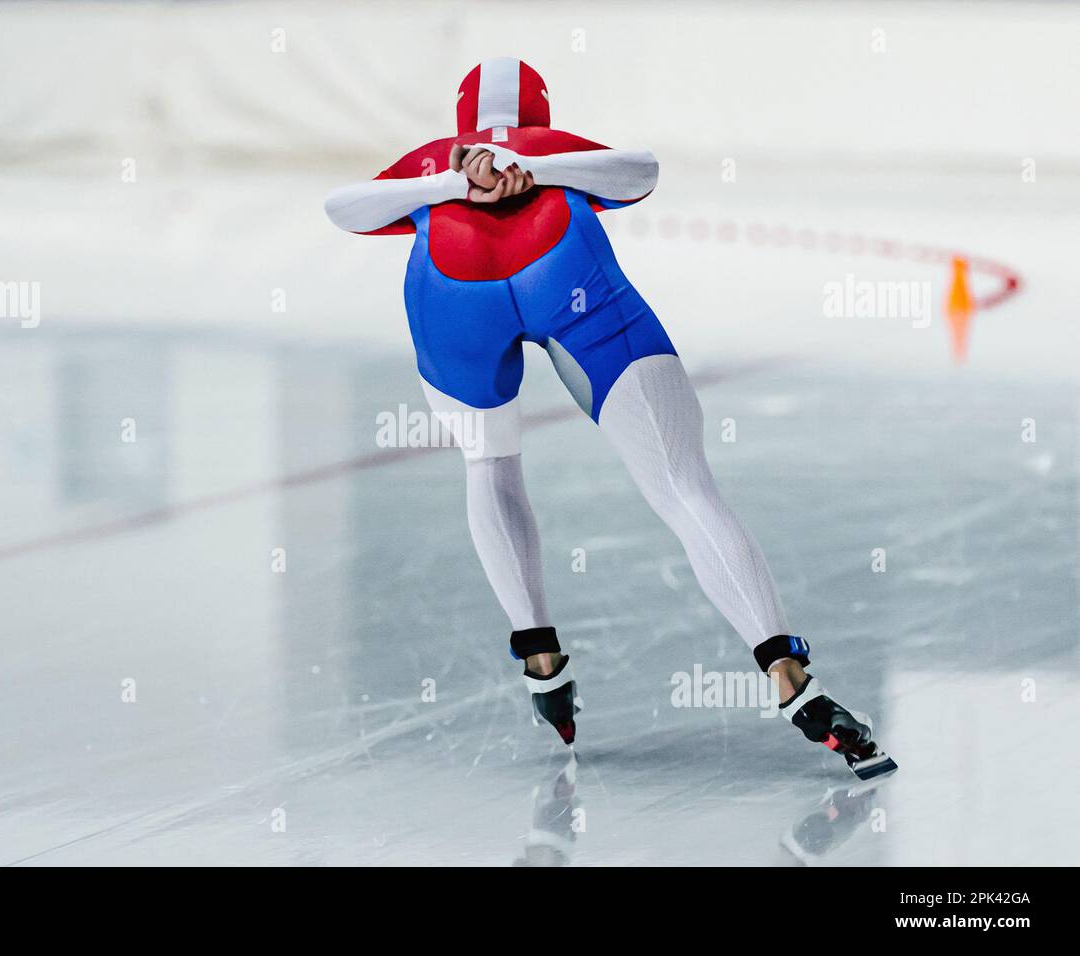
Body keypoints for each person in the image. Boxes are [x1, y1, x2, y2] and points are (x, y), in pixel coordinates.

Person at [324, 58, 895, 779]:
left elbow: (344, 208)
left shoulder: (436, 156)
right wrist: (528, 162)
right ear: (540, 108)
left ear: (461, 113)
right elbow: (639, 172)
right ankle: (785, 671)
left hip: (450, 298)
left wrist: (449, 182)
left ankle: (541, 662)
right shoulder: (549, 143)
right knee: (685, 488)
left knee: (489, 463)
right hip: (570, 284)